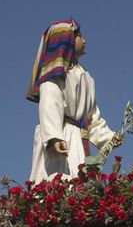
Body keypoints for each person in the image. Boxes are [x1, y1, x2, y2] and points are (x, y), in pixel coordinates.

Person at [27, 20, 120, 182]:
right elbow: (50, 105)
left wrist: (109, 137)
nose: (84, 41)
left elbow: (92, 118)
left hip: (78, 137)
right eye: (79, 37)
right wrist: (54, 137)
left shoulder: (86, 77)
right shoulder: (54, 74)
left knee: (80, 182)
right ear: (66, 39)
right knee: (57, 181)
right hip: (61, 135)